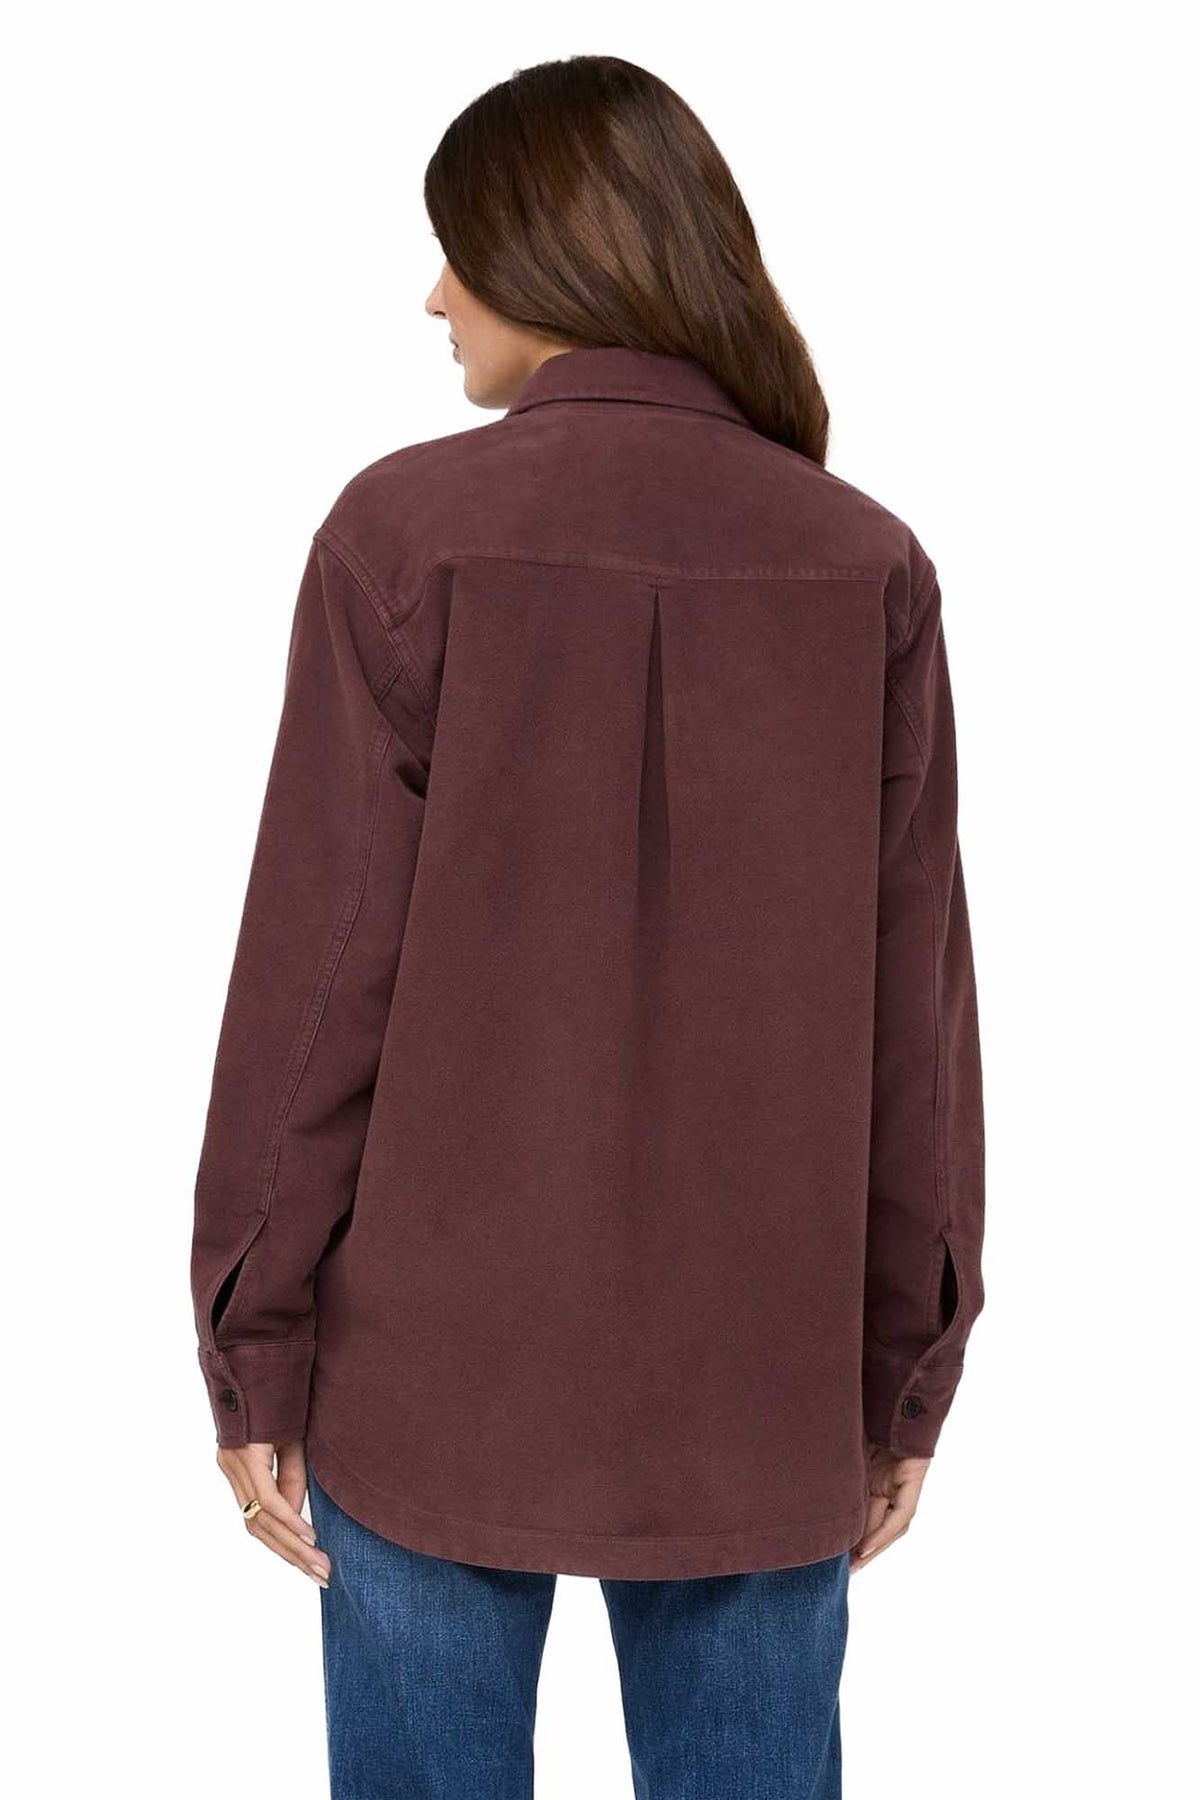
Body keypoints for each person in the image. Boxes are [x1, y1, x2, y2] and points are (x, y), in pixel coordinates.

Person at [190, 52, 986, 1800]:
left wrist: (253, 1345)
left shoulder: (404, 536)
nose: (434, 296)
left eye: (459, 249)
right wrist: (904, 1365)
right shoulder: (866, 562)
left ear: (553, 257)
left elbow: (319, 981)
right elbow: (912, 1028)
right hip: (762, 1379)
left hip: (426, 1375)